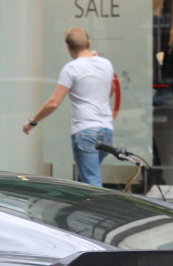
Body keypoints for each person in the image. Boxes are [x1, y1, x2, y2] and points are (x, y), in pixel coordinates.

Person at [22, 27, 121, 186]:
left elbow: (54, 103)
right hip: (106, 131)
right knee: (85, 180)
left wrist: (32, 121)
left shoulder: (71, 69)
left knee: (92, 183)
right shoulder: (106, 64)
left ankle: (98, 211)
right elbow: (111, 91)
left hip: (85, 132)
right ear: (89, 42)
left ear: (68, 46)